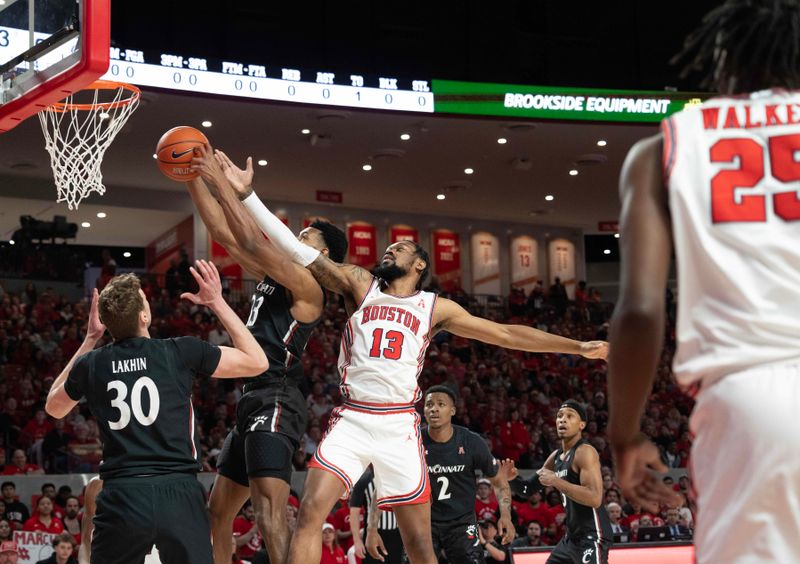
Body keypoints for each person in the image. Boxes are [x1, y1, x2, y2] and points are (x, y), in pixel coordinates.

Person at [224, 162, 607, 564]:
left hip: (400, 425)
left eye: (401, 248)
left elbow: (509, 334)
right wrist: (248, 196)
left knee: (420, 545)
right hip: (352, 417)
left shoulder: (435, 307)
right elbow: (298, 251)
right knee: (308, 516)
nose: (389, 249)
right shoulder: (361, 284)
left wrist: (577, 346)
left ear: (420, 264)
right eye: (389, 248)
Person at [607, 1, 800, 563]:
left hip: (755, 404)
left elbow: (641, 311)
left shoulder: (663, 148)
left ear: (723, 59)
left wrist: (626, 434)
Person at [44, 262, 268, 564]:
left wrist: (89, 339)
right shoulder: (179, 351)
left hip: (121, 494)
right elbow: (257, 361)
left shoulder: (91, 363)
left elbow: (54, 407)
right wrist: (217, 302)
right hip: (178, 490)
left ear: (107, 323)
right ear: (144, 315)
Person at [187, 144, 347, 564]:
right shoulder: (277, 274)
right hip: (252, 398)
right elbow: (225, 235)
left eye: (306, 236)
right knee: (218, 512)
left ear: (323, 253)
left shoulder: (309, 287)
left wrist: (222, 182)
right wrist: (189, 177)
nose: (297, 237)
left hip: (276, 396)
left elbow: (252, 242)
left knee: (269, 511)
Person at [505, 401, 612, 563]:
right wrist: (512, 479)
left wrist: (556, 481)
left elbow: (595, 498)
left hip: (592, 535)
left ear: (581, 425)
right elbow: (526, 490)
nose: (562, 420)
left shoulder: (585, 452)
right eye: (560, 416)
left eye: (570, 416)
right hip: (571, 538)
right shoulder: (555, 457)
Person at [422, 385, 515, 563]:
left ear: (453, 410)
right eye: (429, 404)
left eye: (441, 404)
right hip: (423, 521)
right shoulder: (413, 442)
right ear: (424, 411)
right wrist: (372, 528)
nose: (434, 408)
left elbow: (499, 482)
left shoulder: (472, 442)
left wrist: (505, 516)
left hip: (461, 522)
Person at [349, 467, 402, 564]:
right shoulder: (364, 481)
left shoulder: (398, 479)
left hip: (397, 535)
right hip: (373, 534)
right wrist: (357, 541)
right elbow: (354, 513)